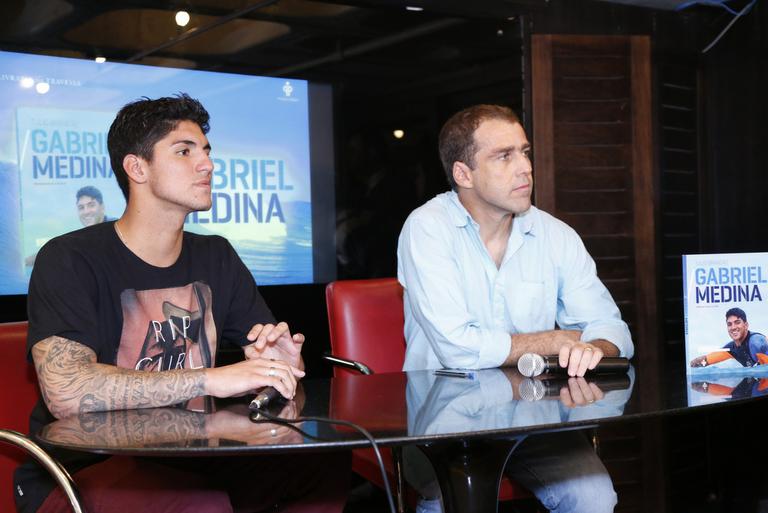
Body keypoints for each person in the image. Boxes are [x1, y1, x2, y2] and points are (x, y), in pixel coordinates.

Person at [15, 94, 349, 513]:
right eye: (184, 151)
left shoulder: (216, 255)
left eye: (206, 151)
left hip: (196, 454)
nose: (207, 164)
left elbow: (266, 371)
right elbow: (65, 391)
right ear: (137, 168)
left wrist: (275, 368)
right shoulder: (69, 258)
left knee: (324, 465)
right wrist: (209, 379)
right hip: (83, 467)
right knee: (199, 503)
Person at [397, 104, 634, 513]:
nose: (525, 167)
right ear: (463, 174)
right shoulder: (426, 228)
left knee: (595, 497)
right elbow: (458, 348)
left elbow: (614, 329)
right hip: (444, 426)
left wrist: (595, 347)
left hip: (535, 420)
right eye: (504, 156)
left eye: (525, 152)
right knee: (455, 503)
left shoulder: (556, 235)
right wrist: (556, 341)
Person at [690, 307, 768, 368]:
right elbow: (703, 362)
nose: (733, 327)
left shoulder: (756, 342)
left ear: (746, 325)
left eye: (737, 323)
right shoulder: (732, 349)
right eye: (729, 324)